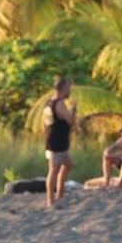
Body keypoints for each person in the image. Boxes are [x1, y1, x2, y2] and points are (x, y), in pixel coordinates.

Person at [42, 76, 76, 209]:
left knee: (68, 164)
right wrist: (73, 110)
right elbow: (70, 121)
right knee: (53, 169)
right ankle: (51, 200)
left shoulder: (48, 103)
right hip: (57, 142)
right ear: (63, 89)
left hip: (56, 139)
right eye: (68, 88)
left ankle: (60, 193)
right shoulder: (60, 103)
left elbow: (44, 125)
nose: (69, 92)